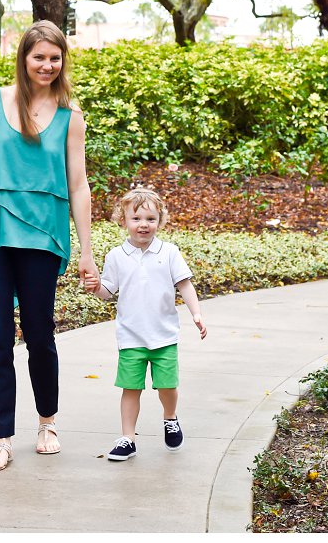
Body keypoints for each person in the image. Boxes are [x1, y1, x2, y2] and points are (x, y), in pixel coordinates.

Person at [0, 20, 96, 472]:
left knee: (39, 332)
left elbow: (79, 185)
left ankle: (47, 422)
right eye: (38, 57)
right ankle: (1, 437)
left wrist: (87, 250)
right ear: (23, 59)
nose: (47, 65)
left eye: (55, 57)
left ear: (62, 61)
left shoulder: (70, 118)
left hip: (42, 235)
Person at [85, 187, 206, 461]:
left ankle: (170, 417)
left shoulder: (170, 252)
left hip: (164, 335)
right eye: (137, 218)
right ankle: (128, 438)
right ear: (124, 221)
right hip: (131, 336)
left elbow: (184, 284)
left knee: (167, 387)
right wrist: (95, 287)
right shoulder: (117, 256)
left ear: (160, 221)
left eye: (151, 219)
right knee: (131, 388)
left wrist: (196, 313)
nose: (143, 225)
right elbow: (108, 291)